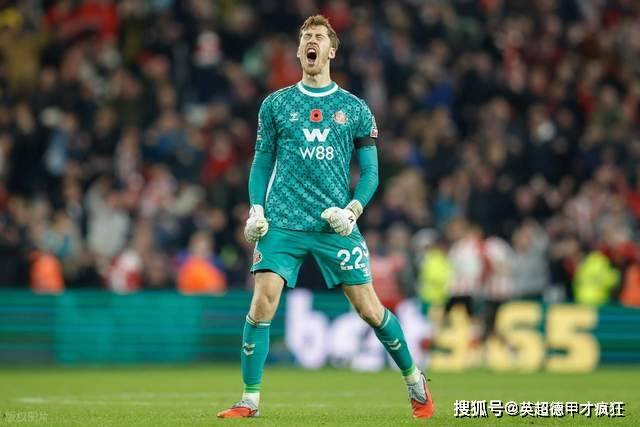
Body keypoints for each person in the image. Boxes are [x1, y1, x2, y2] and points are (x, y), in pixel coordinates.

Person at [217, 15, 434, 420]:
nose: (311, 42)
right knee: (262, 302)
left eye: (318, 37)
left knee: (369, 309)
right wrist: (256, 207)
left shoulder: (354, 108)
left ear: (332, 50)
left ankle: (414, 379)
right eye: (305, 38)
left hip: (334, 224)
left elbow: (371, 174)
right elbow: (261, 163)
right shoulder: (276, 104)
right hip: (282, 221)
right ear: (300, 51)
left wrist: (353, 211)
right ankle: (249, 399)